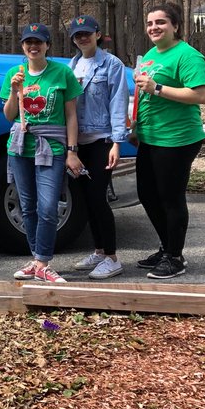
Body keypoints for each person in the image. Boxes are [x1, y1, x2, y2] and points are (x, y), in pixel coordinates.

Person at [132, 3, 205, 280]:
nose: (154, 27)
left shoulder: (188, 56)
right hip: (150, 136)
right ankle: (166, 247)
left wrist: (158, 88)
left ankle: (175, 257)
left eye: (161, 22)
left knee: (170, 198)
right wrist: (136, 125)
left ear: (175, 26)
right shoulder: (151, 55)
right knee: (147, 194)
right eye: (150, 23)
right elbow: (143, 95)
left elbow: (200, 95)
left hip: (176, 138)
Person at [3, 22, 84, 284]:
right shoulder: (14, 74)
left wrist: (72, 151)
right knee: (27, 206)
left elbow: (71, 116)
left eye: (39, 41)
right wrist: (14, 91)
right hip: (20, 148)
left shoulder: (62, 73)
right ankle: (37, 261)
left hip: (52, 147)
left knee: (48, 206)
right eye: (29, 42)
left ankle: (43, 262)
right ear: (23, 46)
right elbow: (9, 116)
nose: (33, 46)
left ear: (47, 45)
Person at [66, 15, 131, 280]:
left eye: (87, 33)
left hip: (101, 141)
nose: (83, 38)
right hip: (77, 144)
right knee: (85, 200)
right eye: (77, 35)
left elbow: (118, 102)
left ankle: (113, 258)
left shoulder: (111, 64)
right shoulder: (71, 66)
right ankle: (99, 251)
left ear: (97, 34)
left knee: (97, 197)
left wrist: (117, 142)